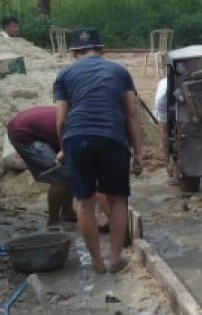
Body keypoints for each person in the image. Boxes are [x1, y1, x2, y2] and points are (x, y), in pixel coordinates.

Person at [54, 28, 142, 274]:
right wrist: (138, 153)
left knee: (84, 202)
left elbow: (61, 121)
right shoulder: (120, 72)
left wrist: (63, 150)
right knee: (118, 200)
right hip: (113, 138)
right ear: (102, 50)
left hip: (77, 139)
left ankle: (97, 263)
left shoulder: (64, 75)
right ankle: (115, 259)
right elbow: (132, 114)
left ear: (74, 52)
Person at [6, 105, 77, 227]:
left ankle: (67, 212)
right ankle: (53, 220)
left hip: (30, 127)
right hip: (23, 134)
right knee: (60, 176)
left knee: (69, 170)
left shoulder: (77, 121)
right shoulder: (76, 128)